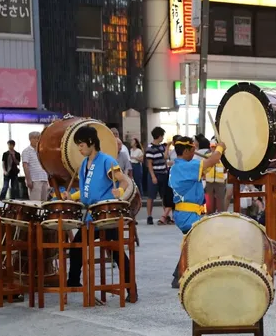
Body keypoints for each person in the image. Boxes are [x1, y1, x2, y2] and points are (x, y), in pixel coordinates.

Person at [66, 125, 135, 297]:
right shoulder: (84, 164)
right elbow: (86, 190)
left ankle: (131, 289)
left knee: (117, 251)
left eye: (81, 145)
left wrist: (118, 192)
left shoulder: (107, 161)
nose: (79, 149)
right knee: (76, 246)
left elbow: (124, 181)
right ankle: (73, 280)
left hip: (107, 214)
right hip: (91, 216)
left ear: (91, 142)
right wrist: (72, 197)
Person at [168, 136, 225, 288]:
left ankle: (179, 274)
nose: (195, 153)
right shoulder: (185, 167)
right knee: (203, 240)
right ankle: (185, 274)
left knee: (194, 242)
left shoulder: (179, 166)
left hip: (186, 214)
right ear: (186, 150)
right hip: (188, 215)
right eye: (192, 150)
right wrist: (220, 148)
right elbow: (211, 161)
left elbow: (207, 165)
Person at [145, 127, 174, 225]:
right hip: (155, 174)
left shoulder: (162, 147)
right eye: (162, 136)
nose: (163, 138)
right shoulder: (150, 148)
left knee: (164, 196)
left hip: (163, 173)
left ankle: (166, 215)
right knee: (151, 196)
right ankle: (149, 216)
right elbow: (149, 164)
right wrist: (153, 176)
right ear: (159, 136)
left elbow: (165, 158)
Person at [22, 131, 49, 201]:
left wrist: (48, 180)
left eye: (38, 138)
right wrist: (28, 180)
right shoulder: (26, 151)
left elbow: (45, 165)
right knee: (35, 204)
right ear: (30, 139)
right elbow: (25, 166)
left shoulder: (41, 151)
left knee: (44, 203)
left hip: (44, 179)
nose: (37, 140)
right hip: (34, 180)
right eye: (35, 138)